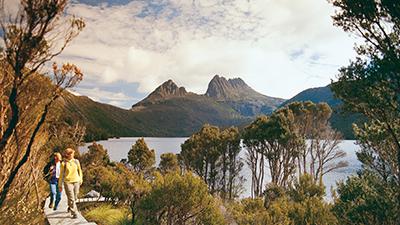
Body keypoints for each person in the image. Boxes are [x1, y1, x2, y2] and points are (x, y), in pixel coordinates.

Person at [58, 148, 83, 219]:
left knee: (75, 197)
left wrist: (80, 179)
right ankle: (75, 213)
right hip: (68, 182)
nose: (73, 155)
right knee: (71, 198)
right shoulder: (63, 164)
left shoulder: (76, 161)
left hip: (76, 181)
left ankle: (70, 206)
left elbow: (80, 171)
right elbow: (61, 175)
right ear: (67, 155)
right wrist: (60, 185)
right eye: (72, 153)